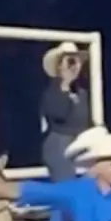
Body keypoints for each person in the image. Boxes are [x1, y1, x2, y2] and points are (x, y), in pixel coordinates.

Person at [40, 42, 92, 181]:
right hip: (60, 146)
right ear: (59, 66)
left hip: (81, 144)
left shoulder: (82, 93)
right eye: (69, 61)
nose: (74, 66)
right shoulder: (51, 93)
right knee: (69, 187)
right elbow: (59, 113)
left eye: (77, 61)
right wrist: (65, 84)